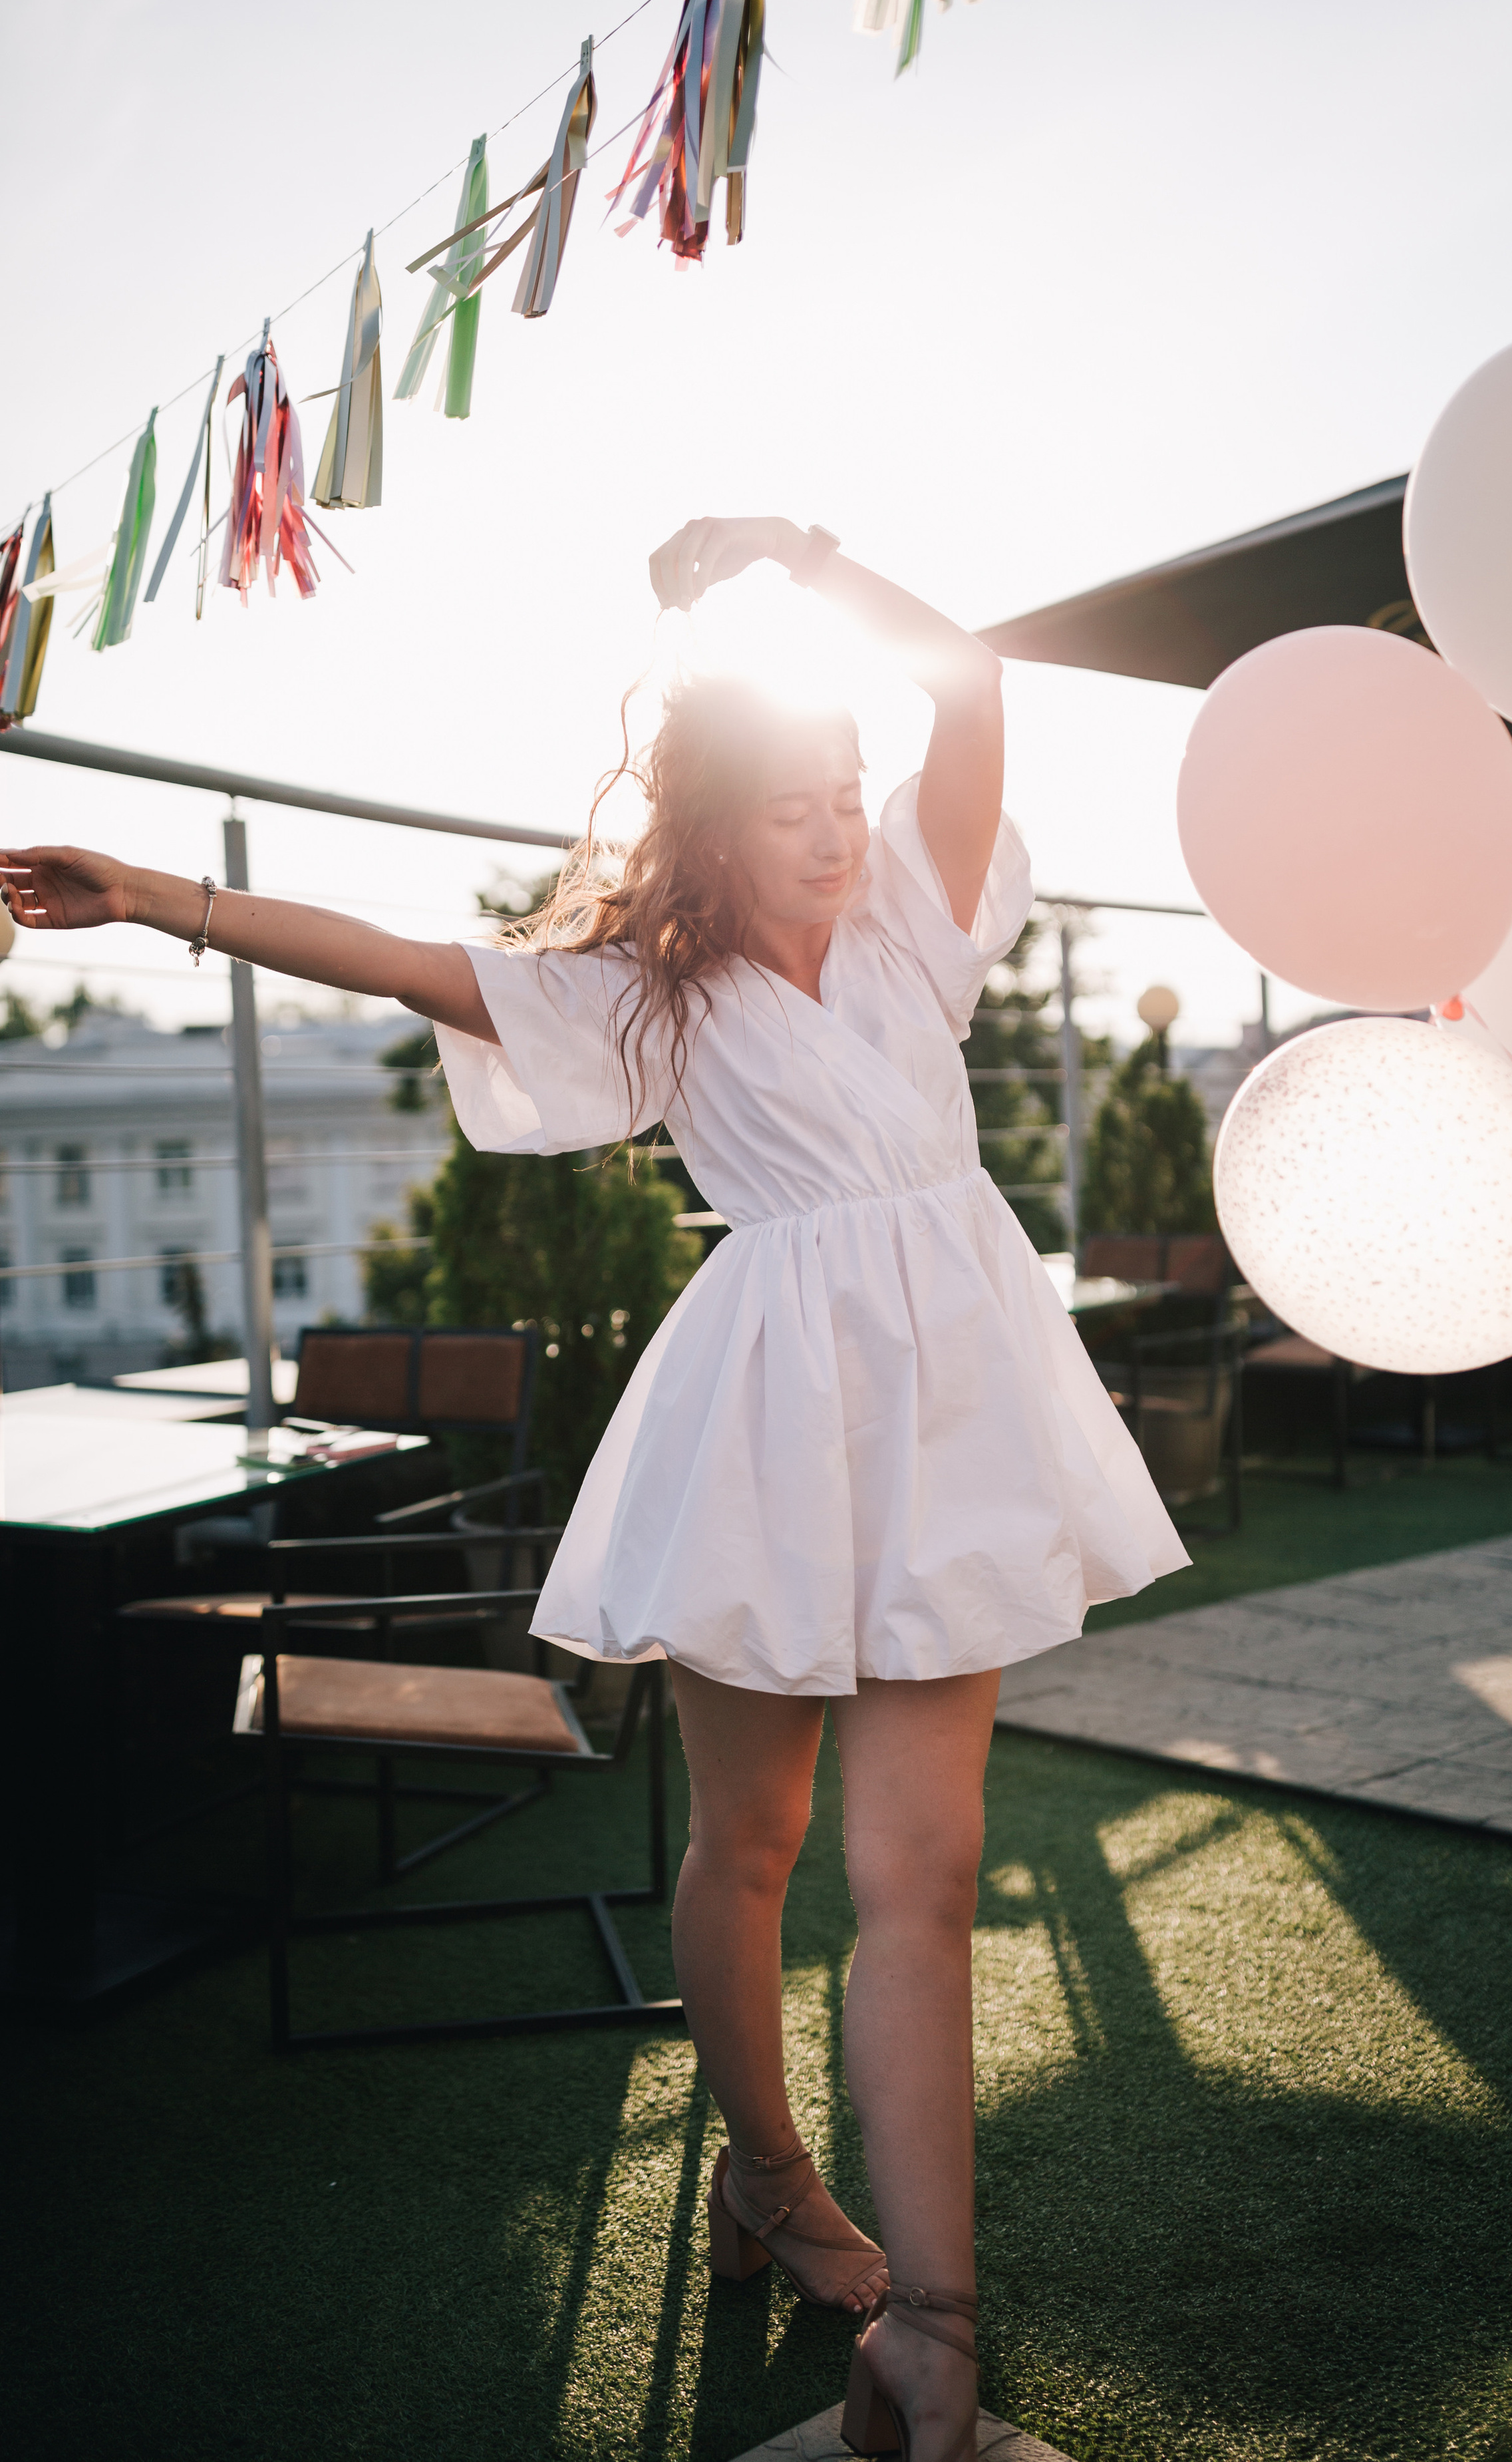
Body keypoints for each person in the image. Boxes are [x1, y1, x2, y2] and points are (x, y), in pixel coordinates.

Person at [1, 516, 1185, 2462]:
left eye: (840, 795)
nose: (827, 831)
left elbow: (969, 679)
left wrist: (809, 562)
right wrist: (150, 893)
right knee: (750, 1843)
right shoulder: (647, 991)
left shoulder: (913, 912)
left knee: (931, 1874)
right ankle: (770, 2176)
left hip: (954, 1418)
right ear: (715, 827)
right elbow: (403, 962)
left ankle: (944, 2328)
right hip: (768, 1427)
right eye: (790, 807)